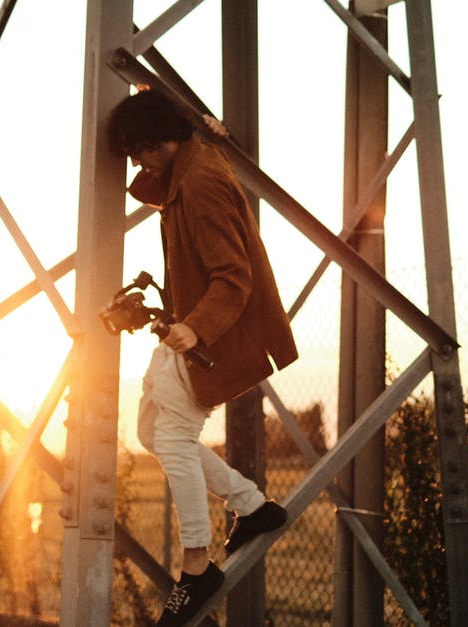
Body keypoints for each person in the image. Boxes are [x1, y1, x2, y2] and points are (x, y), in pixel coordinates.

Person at [106, 89, 299, 626]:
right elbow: (154, 186)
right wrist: (185, 119)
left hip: (213, 334)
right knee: (151, 429)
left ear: (162, 140)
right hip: (191, 330)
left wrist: (195, 329)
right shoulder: (186, 167)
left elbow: (233, 277)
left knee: (172, 436)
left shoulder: (202, 182)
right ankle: (253, 506)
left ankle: (197, 564)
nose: (138, 163)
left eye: (141, 149)